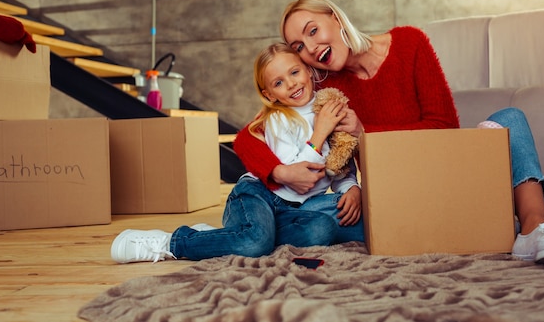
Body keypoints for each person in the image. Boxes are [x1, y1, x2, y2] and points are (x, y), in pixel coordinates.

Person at [233, 0, 544, 268]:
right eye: (298, 47)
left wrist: (366, 131)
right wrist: (279, 170)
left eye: (313, 31)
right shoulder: (322, 90)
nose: (310, 48)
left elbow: (444, 127)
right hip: (397, 194)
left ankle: (535, 231)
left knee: (510, 115)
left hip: (442, 166)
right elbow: (246, 136)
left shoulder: (409, 43)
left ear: (335, 19)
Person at [110, 43, 361, 263]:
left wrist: (351, 189)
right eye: (278, 83)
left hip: (296, 208)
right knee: (254, 244)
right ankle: (171, 242)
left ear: (308, 70)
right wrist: (320, 132)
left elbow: (341, 162)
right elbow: (299, 178)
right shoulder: (278, 118)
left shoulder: (330, 105)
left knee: (324, 229)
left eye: (294, 72)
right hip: (259, 194)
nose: (292, 84)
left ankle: (227, 236)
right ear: (269, 95)